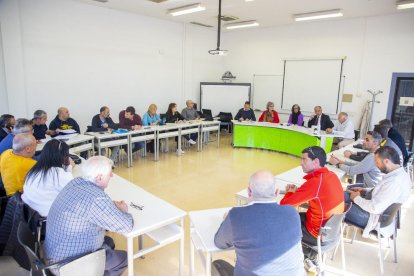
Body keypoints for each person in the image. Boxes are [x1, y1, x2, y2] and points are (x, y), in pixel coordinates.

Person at [44, 156, 134, 276]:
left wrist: (108, 208)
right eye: (110, 174)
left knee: (109, 241)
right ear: (99, 177)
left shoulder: (75, 182)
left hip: (52, 254)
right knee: (124, 258)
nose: (112, 176)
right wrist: (124, 210)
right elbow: (127, 225)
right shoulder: (96, 198)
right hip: (66, 266)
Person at [214, 171, 305, 276]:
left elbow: (219, 243)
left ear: (249, 192)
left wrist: (228, 220)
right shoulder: (292, 212)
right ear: (276, 192)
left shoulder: (236, 215)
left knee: (217, 264)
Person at [280, 146, 344, 268]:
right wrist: (299, 194)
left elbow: (284, 206)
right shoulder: (332, 175)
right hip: (332, 232)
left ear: (316, 162)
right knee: (295, 217)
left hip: (317, 234)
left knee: (280, 223)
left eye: (304, 159)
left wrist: (289, 193)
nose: (301, 163)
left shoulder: (315, 182)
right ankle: (307, 253)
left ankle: (303, 256)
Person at [344, 146, 411, 238]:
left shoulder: (395, 182)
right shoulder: (399, 175)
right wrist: (365, 190)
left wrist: (356, 198)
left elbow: (375, 208)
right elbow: (382, 193)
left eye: (377, 162)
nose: (376, 165)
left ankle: (324, 239)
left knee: (335, 205)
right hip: (375, 213)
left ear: (386, 161)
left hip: (372, 219)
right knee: (340, 196)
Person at [22, 139, 74, 217]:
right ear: (64, 157)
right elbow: (74, 191)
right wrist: (69, 166)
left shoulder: (35, 170)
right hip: (48, 218)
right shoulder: (58, 174)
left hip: (30, 215)